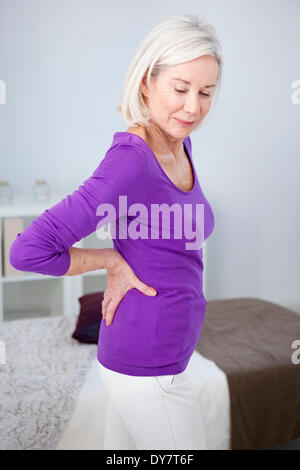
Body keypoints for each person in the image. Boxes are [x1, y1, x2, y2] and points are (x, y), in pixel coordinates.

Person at [9, 13, 222, 450]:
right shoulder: (131, 160)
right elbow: (28, 251)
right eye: (180, 89)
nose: (193, 107)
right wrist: (108, 260)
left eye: (206, 92)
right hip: (149, 363)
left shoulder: (180, 143)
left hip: (163, 354)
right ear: (147, 81)